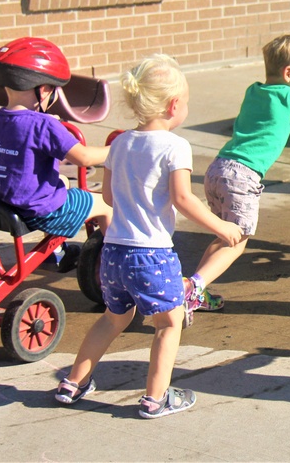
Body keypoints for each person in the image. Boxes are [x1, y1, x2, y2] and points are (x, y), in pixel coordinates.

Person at [54, 54, 243, 419]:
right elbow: (183, 199)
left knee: (113, 318)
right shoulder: (175, 146)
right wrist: (222, 227)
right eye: (185, 101)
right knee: (169, 323)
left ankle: (73, 383)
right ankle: (156, 398)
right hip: (152, 255)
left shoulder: (122, 142)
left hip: (113, 253)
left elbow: (108, 197)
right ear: (174, 105)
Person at [184, 35, 290, 318]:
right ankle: (191, 287)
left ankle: (198, 290)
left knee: (225, 236)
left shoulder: (256, 91)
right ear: (289, 73)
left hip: (218, 170)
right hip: (242, 177)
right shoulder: (288, 97)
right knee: (237, 241)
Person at [0, 37, 112, 270]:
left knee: (60, 180)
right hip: (39, 210)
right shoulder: (43, 125)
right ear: (43, 89)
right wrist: (118, 149)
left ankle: (57, 253)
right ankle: (117, 266)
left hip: (6, 201)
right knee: (106, 203)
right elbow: (84, 158)